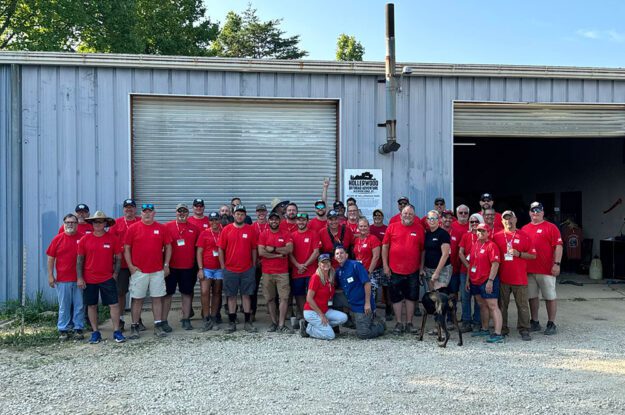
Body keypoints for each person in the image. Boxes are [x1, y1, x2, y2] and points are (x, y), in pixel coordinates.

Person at [124, 203, 172, 339]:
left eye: (150, 211)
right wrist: (131, 266)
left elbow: (168, 246)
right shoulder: (133, 228)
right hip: (139, 271)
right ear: (141, 213)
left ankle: (158, 325)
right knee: (137, 299)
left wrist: (166, 264)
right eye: (145, 212)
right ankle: (134, 326)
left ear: (154, 213)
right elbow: (126, 248)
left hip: (157, 271)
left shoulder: (161, 228)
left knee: (157, 298)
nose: (147, 214)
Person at [77, 211, 125, 344]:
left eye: (100, 221)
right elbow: (79, 260)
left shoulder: (112, 239)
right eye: (95, 222)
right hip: (89, 278)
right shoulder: (84, 239)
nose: (98, 224)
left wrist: (115, 274)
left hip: (107, 278)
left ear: (105, 223)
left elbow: (119, 258)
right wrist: (80, 278)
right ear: (91, 223)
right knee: (91, 305)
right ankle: (95, 332)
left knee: (114, 304)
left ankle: (116, 331)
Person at [492, 210, 536, 341]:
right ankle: (503, 328)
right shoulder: (497, 236)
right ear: (502, 221)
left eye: (511, 219)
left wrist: (519, 254)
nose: (508, 221)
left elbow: (533, 255)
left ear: (516, 220)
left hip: (519, 277)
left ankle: (524, 329)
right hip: (503, 277)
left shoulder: (524, 236)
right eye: (505, 219)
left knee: (522, 305)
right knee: (502, 305)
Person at [382, 204, 425, 335]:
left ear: (414, 216)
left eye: (410, 214)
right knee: (396, 298)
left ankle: (409, 323)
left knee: (411, 297)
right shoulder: (392, 227)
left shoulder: (419, 229)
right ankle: (399, 323)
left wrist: (421, 267)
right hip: (394, 269)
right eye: (405, 213)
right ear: (401, 214)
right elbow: (385, 246)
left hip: (412, 270)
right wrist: (385, 265)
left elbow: (422, 250)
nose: (407, 216)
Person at [521, 201, 563, 335]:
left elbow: (559, 246)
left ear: (543, 212)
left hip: (547, 270)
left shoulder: (551, 227)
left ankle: (551, 323)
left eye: (538, 210)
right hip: (529, 270)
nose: (535, 213)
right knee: (532, 297)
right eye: (533, 210)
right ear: (529, 213)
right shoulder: (524, 229)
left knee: (550, 297)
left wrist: (557, 264)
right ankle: (535, 321)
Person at [218, 205, 258, 333]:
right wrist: (223, 266)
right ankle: (231, 322)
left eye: (242, 214)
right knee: (231, 296)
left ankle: (247, 322)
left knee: (246, 296)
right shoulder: (226, 230)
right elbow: (220, 249)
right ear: (233, 215)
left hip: (247, 269)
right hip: (230, 270)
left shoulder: (250, 230)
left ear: (245, 216)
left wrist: (253, 265)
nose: (239, 216)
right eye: (237, 214)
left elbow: (253, 249)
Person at [47, 213, 85, 341]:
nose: (70, 224)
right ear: (64, 224)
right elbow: (50, 258)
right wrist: (51, 275)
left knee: (79, 305)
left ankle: (78, 328)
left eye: (73, 222)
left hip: (79, 279)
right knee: (64, 306)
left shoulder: (83, 238)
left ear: (77, 224)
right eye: (67, 222)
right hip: (62, 279)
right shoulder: (57, 239)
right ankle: (63, 329)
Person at [334, 246, 385, 339]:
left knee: (363, 334)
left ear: (346, 255)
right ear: (334, 257)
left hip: (362, 304)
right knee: (333, 298)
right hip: (350, 302)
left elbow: (367, 283)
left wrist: (367, 303)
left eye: (341, 253)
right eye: (337, 253)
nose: (339, 255)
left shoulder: (355, 265)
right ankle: (335, 327)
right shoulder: (338, 271)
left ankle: (380, 325)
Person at [164, 203, 200, 331]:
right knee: (168, 294)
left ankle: (186, 319)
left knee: (187, 293)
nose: (182, 213)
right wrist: (165, 265)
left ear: (188, 213)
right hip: (172, 267)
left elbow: (198, 249)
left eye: (184, 211)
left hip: (188, 267)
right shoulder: (167, 227)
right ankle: (163, 321)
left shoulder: (194, 228)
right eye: (180, 211)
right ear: (176, 212)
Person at [466, 223, 503, 343]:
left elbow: (495, 264)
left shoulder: (492, 246)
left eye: (483, 231)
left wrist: (490, 281)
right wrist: (468, 280)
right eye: (478, 231)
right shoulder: (475, 244)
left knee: (493, 306)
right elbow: (471, 264)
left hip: (487, 280)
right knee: (482, 305)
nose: (480, 233)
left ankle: (498, 333)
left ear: (488, 233)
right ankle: (485, 328)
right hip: (475, 280)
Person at [258, 211, 294, 333]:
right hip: (267, 272)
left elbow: (289, 249)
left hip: (282, 272)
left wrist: (273, 249)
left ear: (279, 221)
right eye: (272, 219)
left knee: (284, 298)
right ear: (269, 221)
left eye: (276, 219)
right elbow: (261, 252)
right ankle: (273, 322)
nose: (274, 221)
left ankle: (281, 324)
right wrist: (278, 255)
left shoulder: (285, 233)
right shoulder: (264, 234)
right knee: (270, 299)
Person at [109, 198, 141, 331]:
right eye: (126, 207)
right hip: (121, 265)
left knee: (138, 293)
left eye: (131, 207)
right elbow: (110, 242)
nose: (129, 209)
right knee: (121, 293)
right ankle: (120, 319)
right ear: (123, 209)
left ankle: (137, 319)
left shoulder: (141, 221)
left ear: (135, 209)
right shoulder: (117, 223)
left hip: (138, 264)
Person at [300, 254, 348, 340]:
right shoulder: (315, 277)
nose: (326, 264)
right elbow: (309, 298)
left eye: (328, 262)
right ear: (319, 264)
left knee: (344, 318)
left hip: (325, 310)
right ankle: (307, 328)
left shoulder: (330, 277)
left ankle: (319, 326)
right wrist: (321, 315)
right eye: (323, 262)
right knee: (330, 336)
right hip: (312, 312)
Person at [289, 212, 321, 320]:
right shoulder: (292, 235)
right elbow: (290, 253)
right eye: (299, 220)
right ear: (296, 221)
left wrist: (304, 265)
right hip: (297, 271)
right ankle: (304, 314)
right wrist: (298, 265)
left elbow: (316, 252)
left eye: (303, 220)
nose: (301, 222)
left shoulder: (313, 233)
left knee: (312, 294)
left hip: (311, 271)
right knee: (299, 294)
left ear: (307, 221)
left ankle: (313, 314)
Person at [196, 212, 223, 331]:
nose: (214, 222)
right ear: (209, 222)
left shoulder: (223, 232)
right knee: (205, 291)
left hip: (219, 268)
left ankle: (213, 317)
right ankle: (206, 317)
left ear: (219, 221)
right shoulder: (204, 233)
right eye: (212, 220)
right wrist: (200, 268)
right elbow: (199, 252)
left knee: (217, 292)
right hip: (207, 268)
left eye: (216, 220)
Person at [458, 213, 484, 332]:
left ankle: (477, 322)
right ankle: (466, 321)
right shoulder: (466, 236)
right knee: (465, 297)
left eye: (476, 222)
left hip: (480, 272)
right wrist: (468, 265)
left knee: (478, 297)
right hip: (465, 271)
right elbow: (460, 252)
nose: (474, 224)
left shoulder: (484, 236)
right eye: (472, 222)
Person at [421, 210, 452, 292]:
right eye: (430, 218)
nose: (432, 220)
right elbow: (424, 252)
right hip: (428, 269)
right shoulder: (427, 234)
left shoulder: (443, 234)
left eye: (434, 218)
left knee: (441, 296)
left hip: (442, 270)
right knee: (433, 296)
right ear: (427, 220)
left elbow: (445, 255)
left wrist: (437, 273)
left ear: (439, 220)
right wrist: (421, 268)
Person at [353, 217, 382, 296]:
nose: (363, 228)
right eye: (361, 226)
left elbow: (376, 257)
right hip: (359, 272)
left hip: (370, 272)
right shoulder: (356, 240)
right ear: (358, 227)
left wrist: (369, 272)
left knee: (370, 296)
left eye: (365, 226)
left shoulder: (373, 239)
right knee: (360, 295)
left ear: (368, 227)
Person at [251, 204, 270, 321]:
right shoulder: (251, 227)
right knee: (253, 288)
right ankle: (252, 312)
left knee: (271, 288)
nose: (261, 213)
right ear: (256, 213)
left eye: (263, 211)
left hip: (269, 261)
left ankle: (273, 311)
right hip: (255, 262)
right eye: (259, 211)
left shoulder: (271, 225)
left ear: (266, 212)